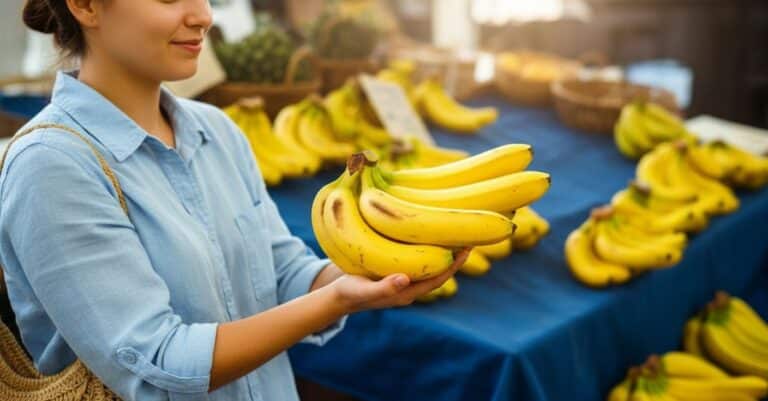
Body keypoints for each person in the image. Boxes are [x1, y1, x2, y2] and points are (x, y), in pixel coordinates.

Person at [0, 1, 466, 400]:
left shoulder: (217, 130)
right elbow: (157, 364)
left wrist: (375, 270)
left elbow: (281, 272)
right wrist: (338, 300)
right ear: (85, 6)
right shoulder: (51, 165)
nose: (203, 15)